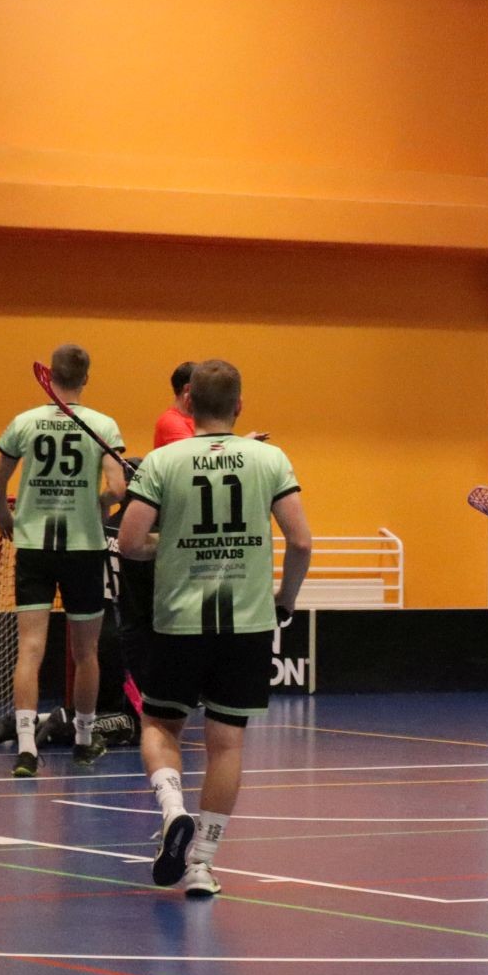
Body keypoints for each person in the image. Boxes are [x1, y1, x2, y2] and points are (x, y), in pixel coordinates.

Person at [117, 359, 311, 898]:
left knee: (160, 726)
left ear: (187, 402)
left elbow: (129, 544)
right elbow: (300, 541)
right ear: (240, 405)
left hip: (179, 619)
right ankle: (201, 863)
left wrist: (173, 542)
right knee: (226, 744)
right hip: (248, 621)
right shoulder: (270, 458)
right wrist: (286, 599)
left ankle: (172, 809)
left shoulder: (163, 460)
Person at [0, 343, 128, 777]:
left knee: (30, 649)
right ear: (86, 378)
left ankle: (26, 748)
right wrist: (97, 502)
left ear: (50, 376)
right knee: (85, 652)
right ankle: (84, 741)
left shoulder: (25, 422)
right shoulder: (102, 425)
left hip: (34, 545)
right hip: (83, 547)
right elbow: (117, 490)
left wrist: (6, 516)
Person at [152, 362, 196, 450]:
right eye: (203, 388)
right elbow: (194, 454)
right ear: (188, 389)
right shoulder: (170, 421)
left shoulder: (200, 419)